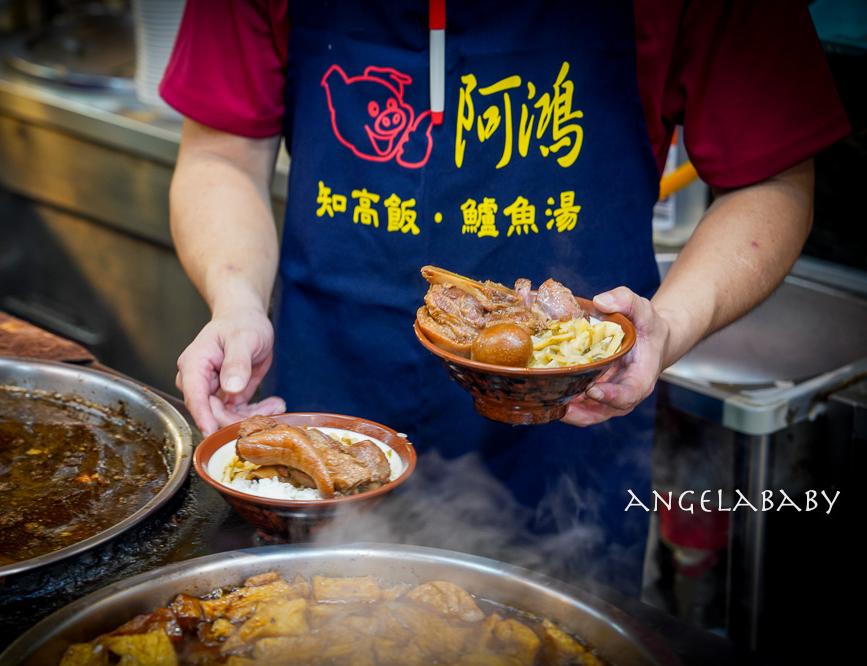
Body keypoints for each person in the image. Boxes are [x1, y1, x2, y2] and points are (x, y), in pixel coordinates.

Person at [159, 0, 849, 595]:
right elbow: (221, 152)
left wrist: (670, 321)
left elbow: (773, 177)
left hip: (570, 429)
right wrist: (234, 300)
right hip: (322, 424)